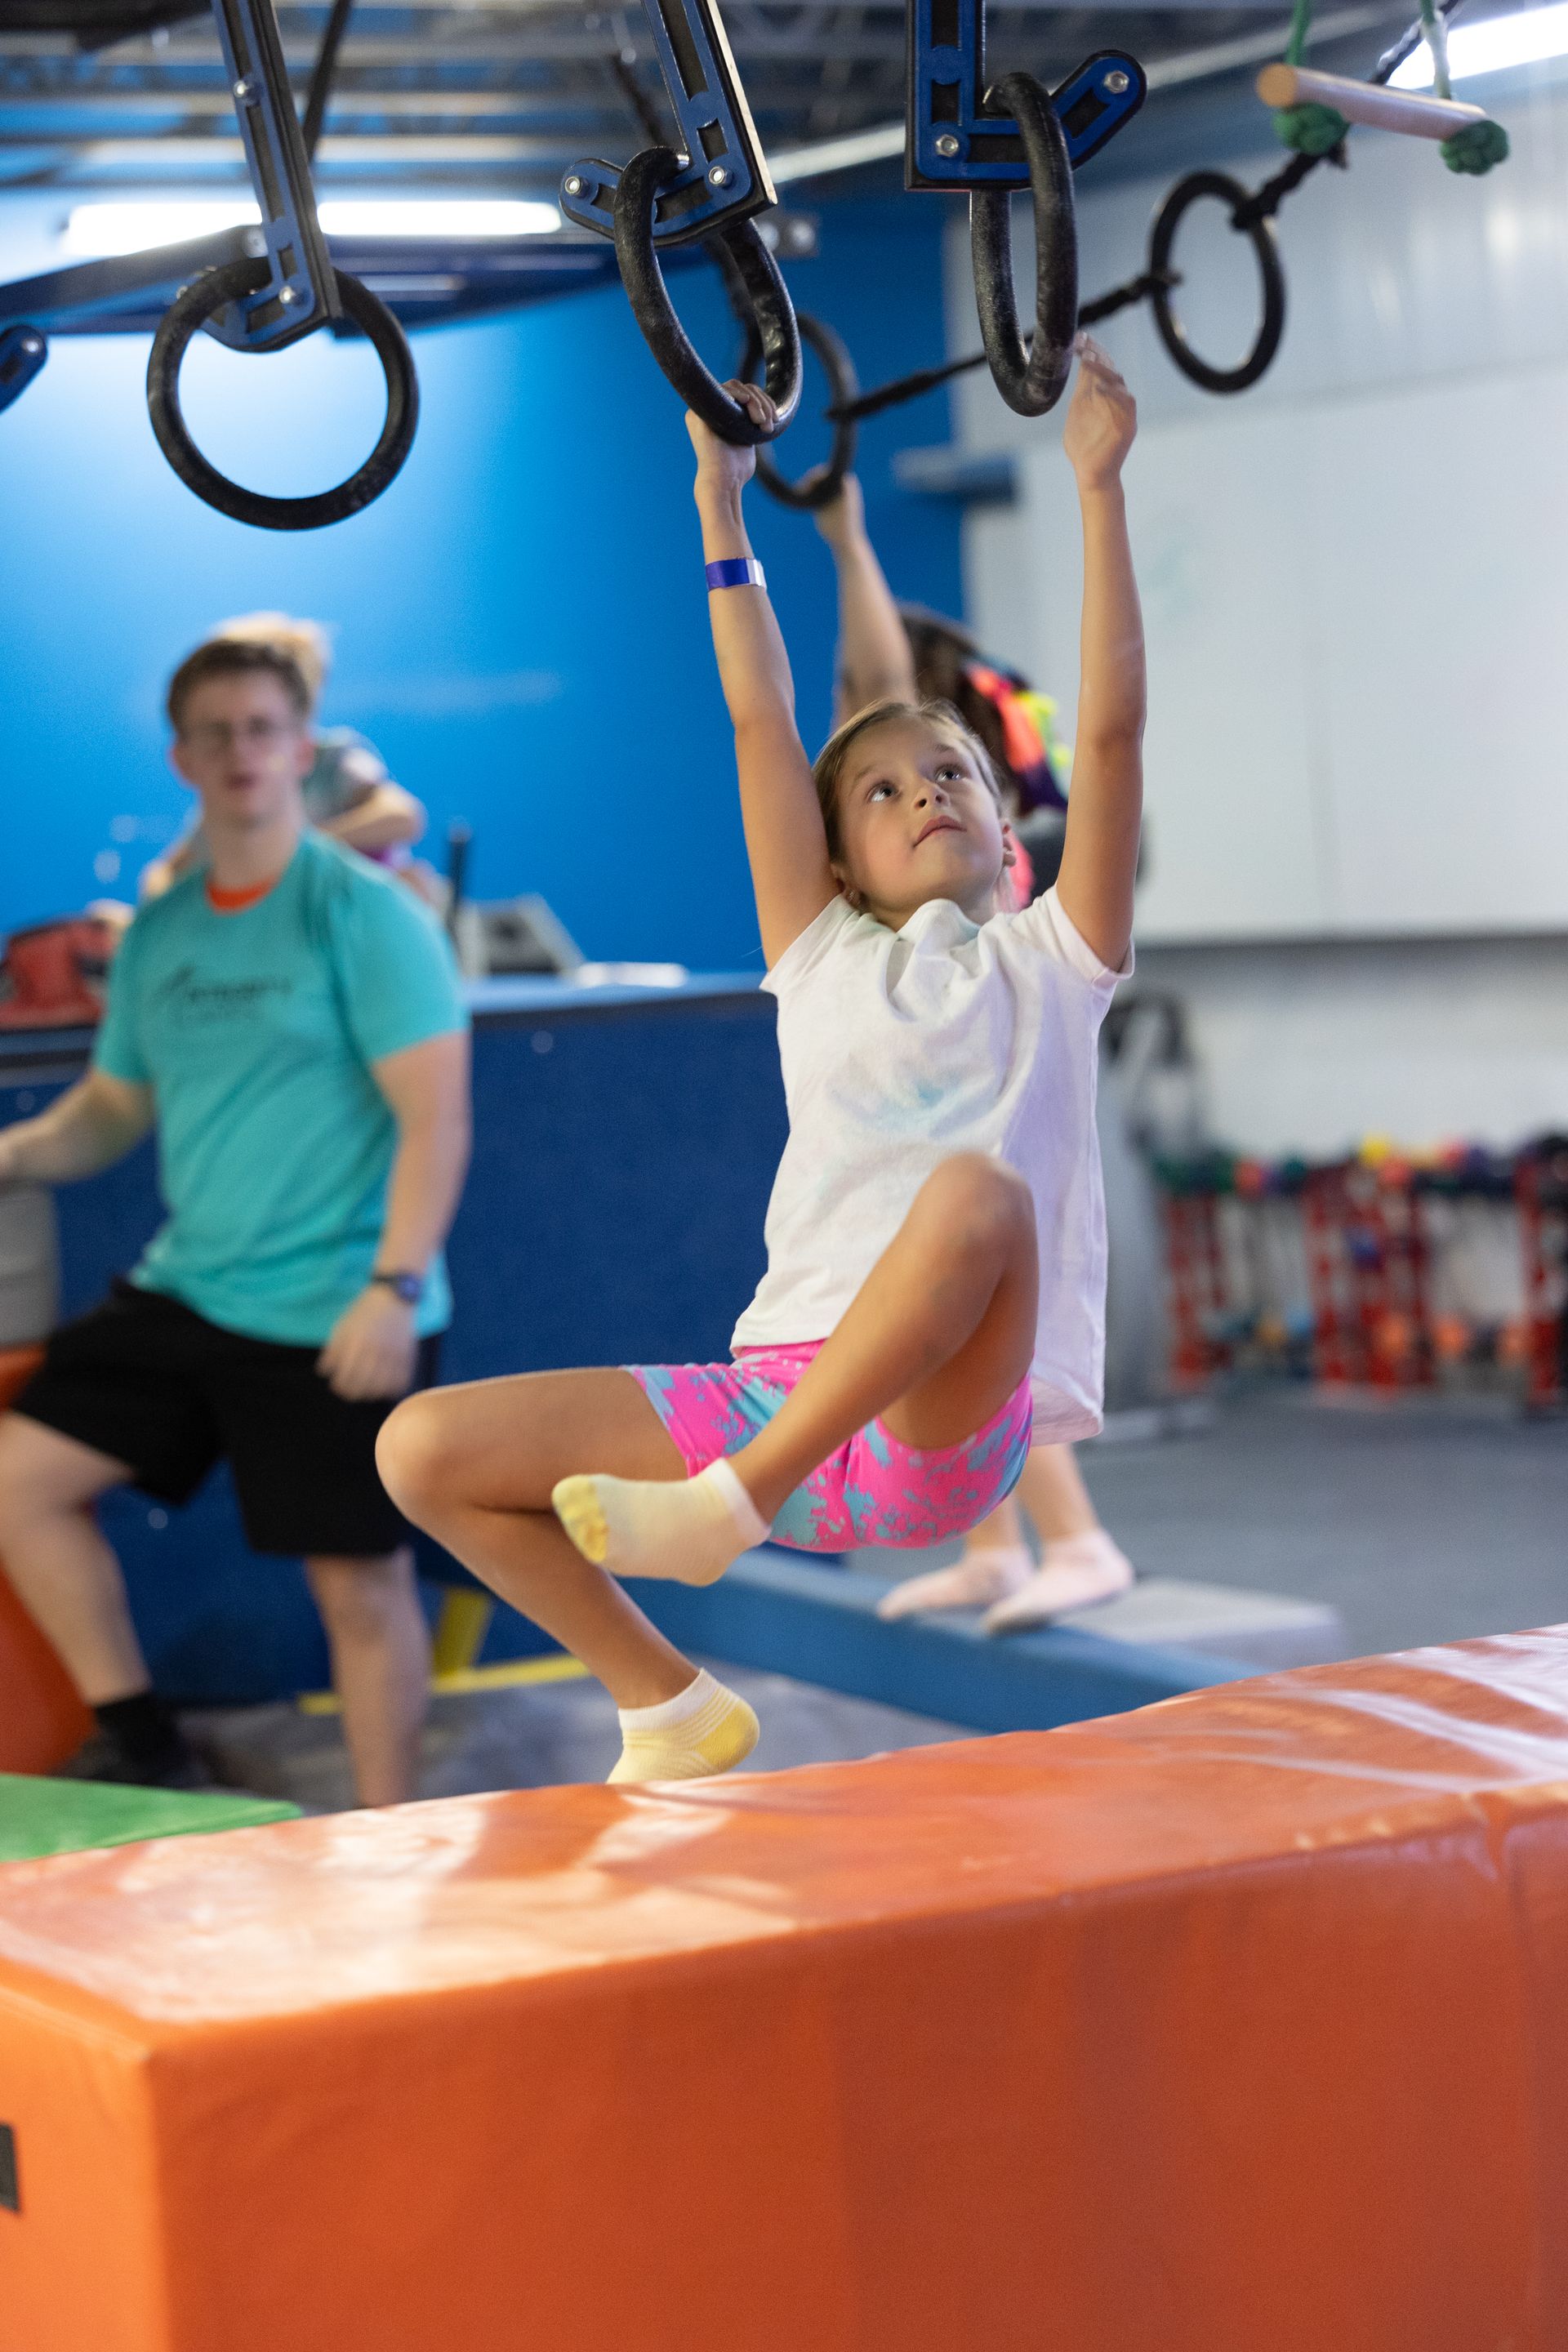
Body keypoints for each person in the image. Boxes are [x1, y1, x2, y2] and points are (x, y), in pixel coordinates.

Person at [376, 333, 1143, 1785]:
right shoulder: (820, 952)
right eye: (883, 788)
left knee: (981, 1200)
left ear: (1008, 834)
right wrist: (719, 507)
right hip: (771, 1390)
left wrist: (1096, 489)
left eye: (954, 777)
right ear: (836, 858)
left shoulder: (1057, 962)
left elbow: (1109, 733)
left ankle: (737, 1504)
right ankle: (667, 1702)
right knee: (420, 1450)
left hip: (926, 1429)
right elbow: (758, 716)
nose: (926, 791)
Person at [0, 631, 470, 1804]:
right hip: (195, 1288)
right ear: (182, 759)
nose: (241, 752)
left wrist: (394, 1292)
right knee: (18, 1481)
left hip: (339, 1304)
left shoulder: (365, 915)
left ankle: (387, 1840)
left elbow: (437, 1122)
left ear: (301, 751)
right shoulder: (160, 935)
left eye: (262, 729)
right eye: (215, 733)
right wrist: (12, 1153)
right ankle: (143, 1739)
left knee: (358, 1586)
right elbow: (111, 1110)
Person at [813, 469, 1134, 1630]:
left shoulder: (948, 844)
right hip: (949, 1079)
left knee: (963, 1316)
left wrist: (849, 538)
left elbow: (876, 683)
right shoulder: (927, 856)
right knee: (921, 1323)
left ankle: (1083, 1542)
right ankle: (997, 1544)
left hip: (982, 1085)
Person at [140, 613, 433, 902]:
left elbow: (403, 817)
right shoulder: (232, 793)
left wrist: (292, 847)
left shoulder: (333, 758)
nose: (240, 747)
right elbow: (170, 869)